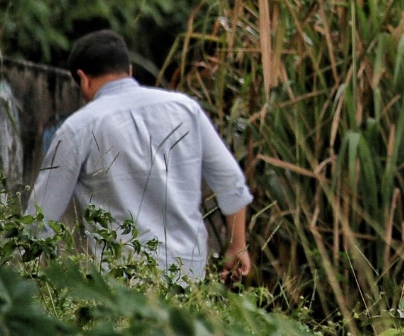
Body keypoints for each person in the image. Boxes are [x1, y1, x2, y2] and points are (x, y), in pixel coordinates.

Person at [26, 29, 253, 282]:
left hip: (121, 283)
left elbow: (40, 218)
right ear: (130, 70)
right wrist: (237, 247)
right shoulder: (185, 109)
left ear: (83, 78)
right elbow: (231, 182)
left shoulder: (77, 129)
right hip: (188, 277)